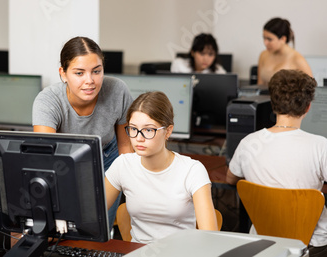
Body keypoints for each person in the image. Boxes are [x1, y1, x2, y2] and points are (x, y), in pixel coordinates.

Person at [32, 36, 134, 230]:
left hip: (108, 158)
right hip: (64, 163)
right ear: (63, 73)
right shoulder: (48, 101)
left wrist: (130, 185)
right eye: (79, 73)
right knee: (68, 225)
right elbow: (46, 160)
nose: (90, 81)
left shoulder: (117, 90)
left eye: (97, 71)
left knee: (98, 225)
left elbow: (125, 147)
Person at [226, 69, 327, 256]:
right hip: (313, 245)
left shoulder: (249, 143)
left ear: (272, 105)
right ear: (308, 107)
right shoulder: (320, 146)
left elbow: (232, 179)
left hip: (265, 242)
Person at [105, 91, 218, 244]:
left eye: (148, 130)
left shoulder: (192, 170)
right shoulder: (123, 165)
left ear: (168, 131)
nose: (138, 138)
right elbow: (92, 216)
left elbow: (210, 237)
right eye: (133, 128)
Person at [257, 17, 312, 86]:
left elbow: (311, 89)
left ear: (283, 39)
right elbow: (259, 86)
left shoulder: (298, 59)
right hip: (263, 97)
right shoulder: (263, 55)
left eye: (269, 39)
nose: (265, 43)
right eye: (264, 38)